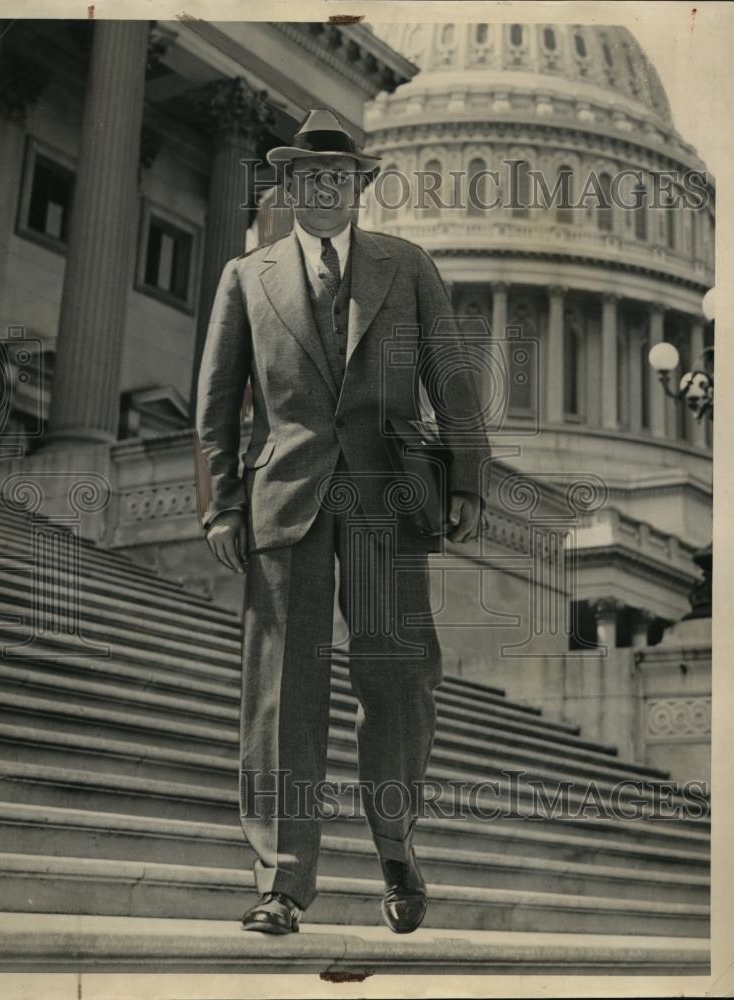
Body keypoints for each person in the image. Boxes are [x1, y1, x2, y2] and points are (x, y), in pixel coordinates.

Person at [195, 108, 491, 935]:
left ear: (360, 188)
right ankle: (281, 883)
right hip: (284, 499)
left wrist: (468, 477)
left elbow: (452, 379)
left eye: (339, 177)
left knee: (399, 682)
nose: (324, 187)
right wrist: (220, 502)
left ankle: (395, 847)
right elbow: (216, 405)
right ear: (288, 188)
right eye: (308, 177)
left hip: (384, 499)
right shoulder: (245, 277)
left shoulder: (408, 266)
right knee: (280, 696)